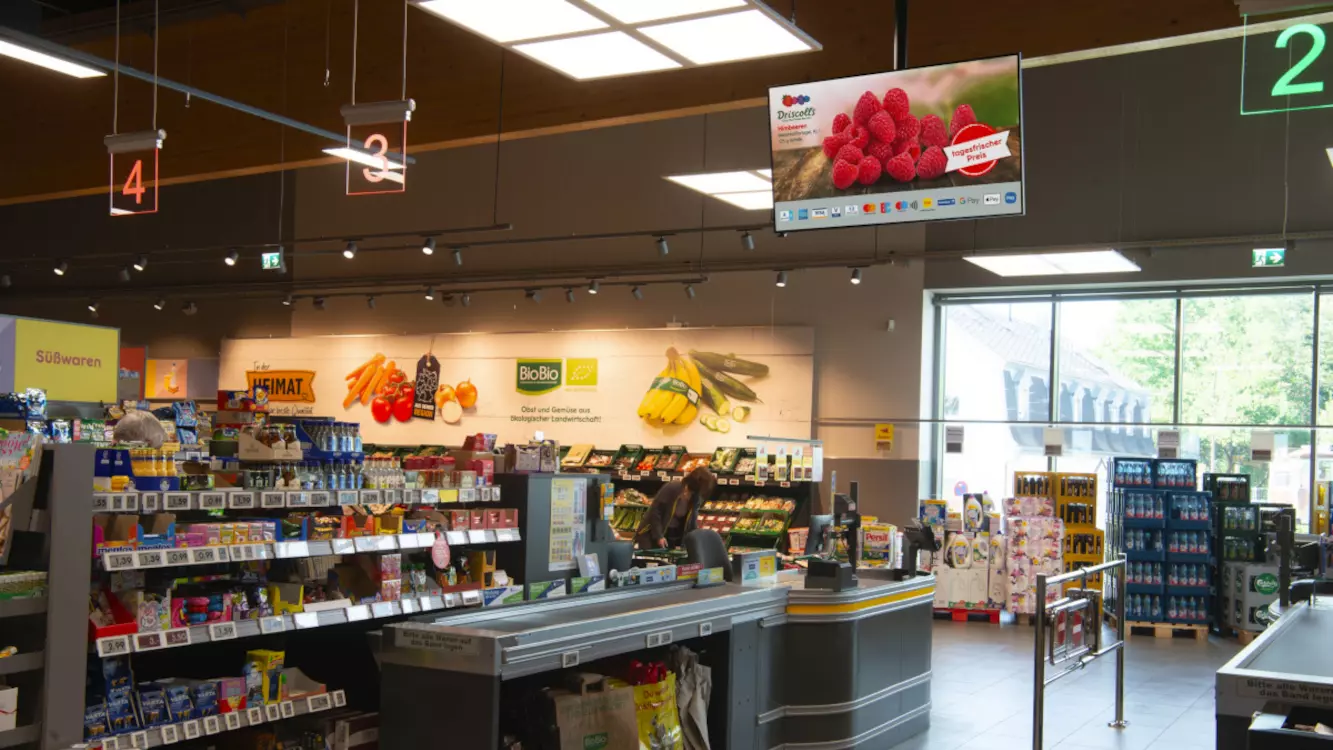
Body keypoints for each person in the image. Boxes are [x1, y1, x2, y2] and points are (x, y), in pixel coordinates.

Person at [635, 467, 717, 550]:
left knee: (667, 561)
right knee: (651, 560)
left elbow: (692, 522)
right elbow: (655, 512)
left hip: (671, 535)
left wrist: (695, 541)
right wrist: (659, 536)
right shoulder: (672, 487)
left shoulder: (695, 498)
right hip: (650, 533)